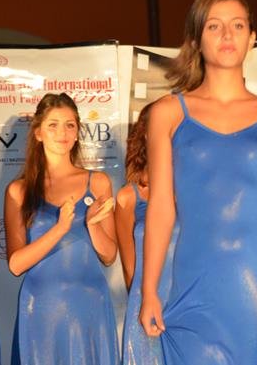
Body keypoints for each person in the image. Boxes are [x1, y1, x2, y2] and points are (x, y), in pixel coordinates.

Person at [139, 0, 257, 364]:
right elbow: (160, 208)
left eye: (237, 25)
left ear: (251, 39)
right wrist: (149, 290)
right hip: (196, 287)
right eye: (214, 26)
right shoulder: (167, 114)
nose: (227, 35)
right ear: (196, 40)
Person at [5, 93, 118, 365]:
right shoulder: (19, 190)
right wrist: (60, 228)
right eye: (53, 125)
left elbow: (109, 255)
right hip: (41, 311)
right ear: (38, 133)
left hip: (90, 306)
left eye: (69, 125)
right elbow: (16, 265)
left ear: (78, 132)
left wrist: (92, 225)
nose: (62, 133)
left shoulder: (98, 182)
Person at [116, 101, 178, 365]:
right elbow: (130, 270)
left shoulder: (193, 190)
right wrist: (145, 303)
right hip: (148, 308)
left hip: (191, 302)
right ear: (145, 135)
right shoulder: (128, 198)